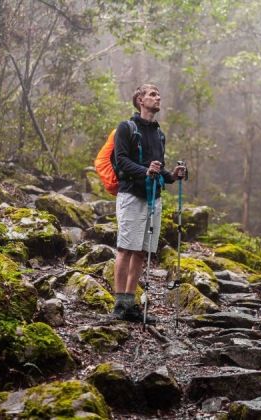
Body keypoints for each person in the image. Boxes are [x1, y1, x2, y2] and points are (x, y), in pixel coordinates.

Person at [111, 83, 185, 323]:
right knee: (125, 247)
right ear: (140, 100)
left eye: (158, 94)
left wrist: (172, 176)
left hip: (153, 197)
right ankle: (119, 304)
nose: (158, 97)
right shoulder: (126, 128)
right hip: (131, 194)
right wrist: (145, 171)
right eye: (152, 94)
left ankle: (130, 302)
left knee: (142, 251)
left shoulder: (158, 133)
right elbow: (121, 161)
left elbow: (158, 168)